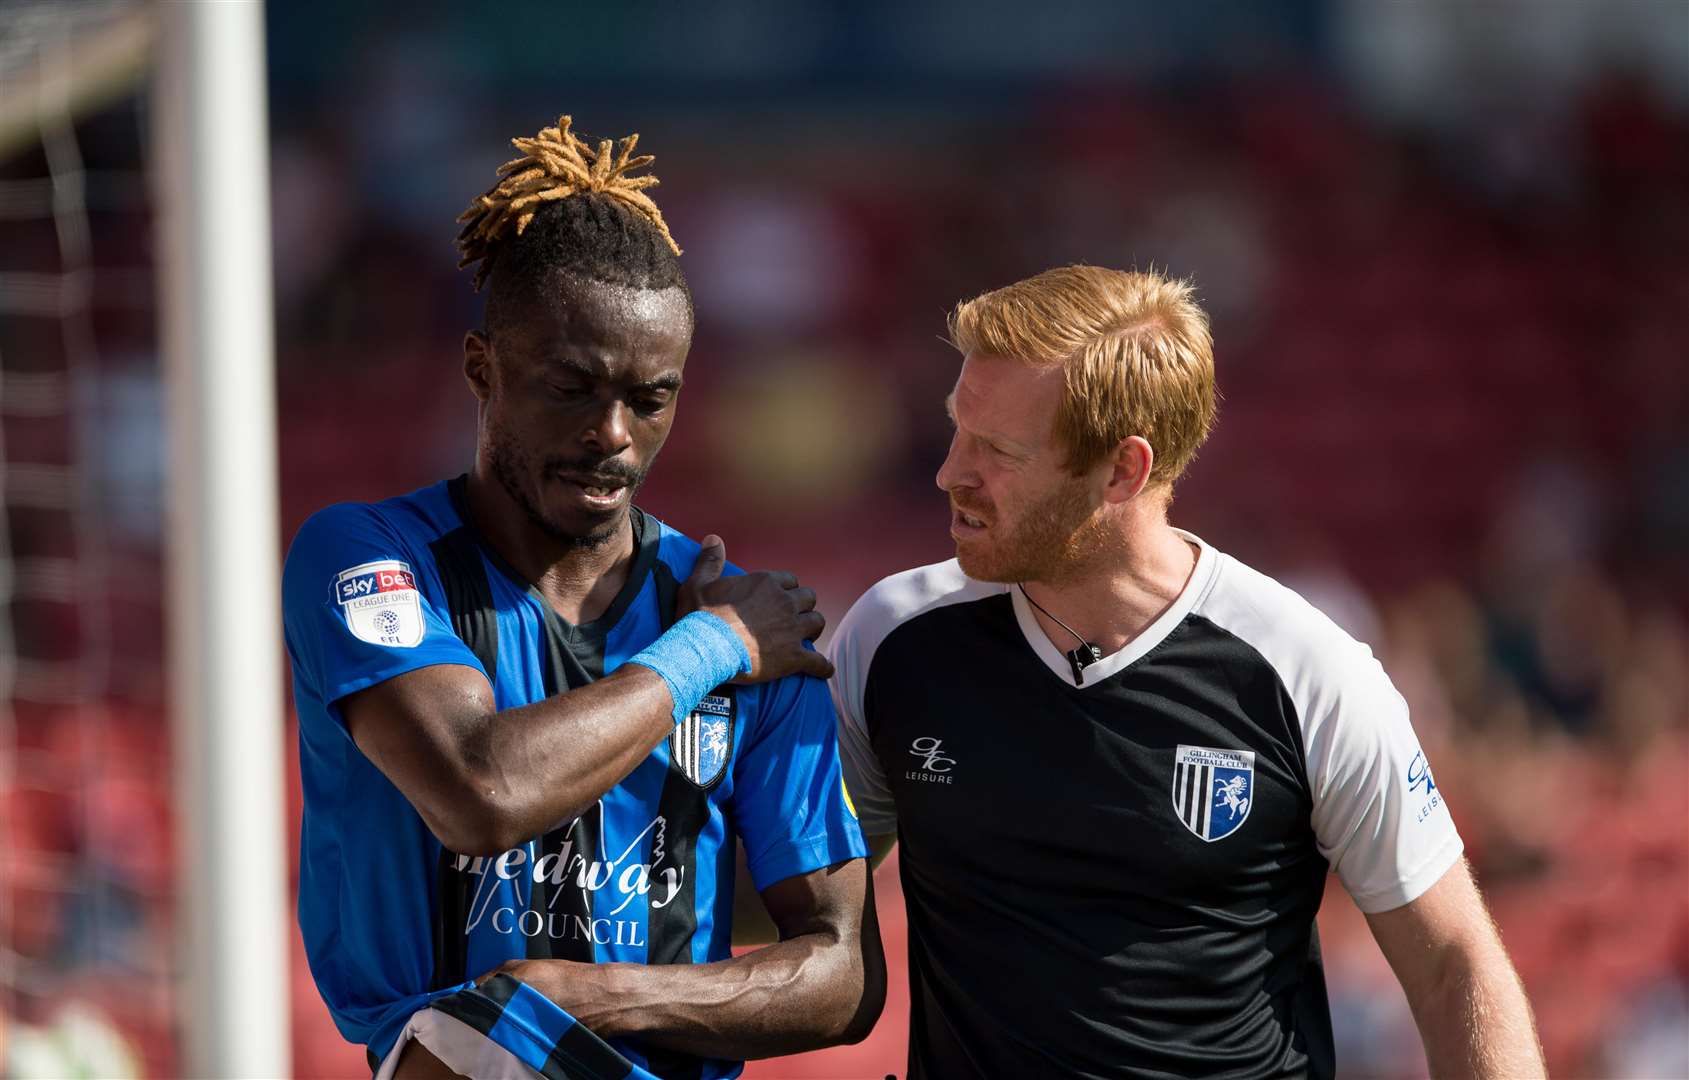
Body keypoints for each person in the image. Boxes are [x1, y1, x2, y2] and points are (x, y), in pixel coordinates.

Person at [829, 265, 1544, 1078]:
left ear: (1122, 472)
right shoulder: (890, 637)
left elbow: (1454, 962)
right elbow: (798, 896)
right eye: (958, 427)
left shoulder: (1306, 670)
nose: (950, 471)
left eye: (997, 450)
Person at [282, 116, 883, 1080]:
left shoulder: (751, 624)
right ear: (483, 368)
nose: (612, 433)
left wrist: (589, 1000)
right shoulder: (368, 557)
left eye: (649, 399)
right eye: (571, 387)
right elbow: (480, 794)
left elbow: (841, 978)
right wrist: (704, 654)